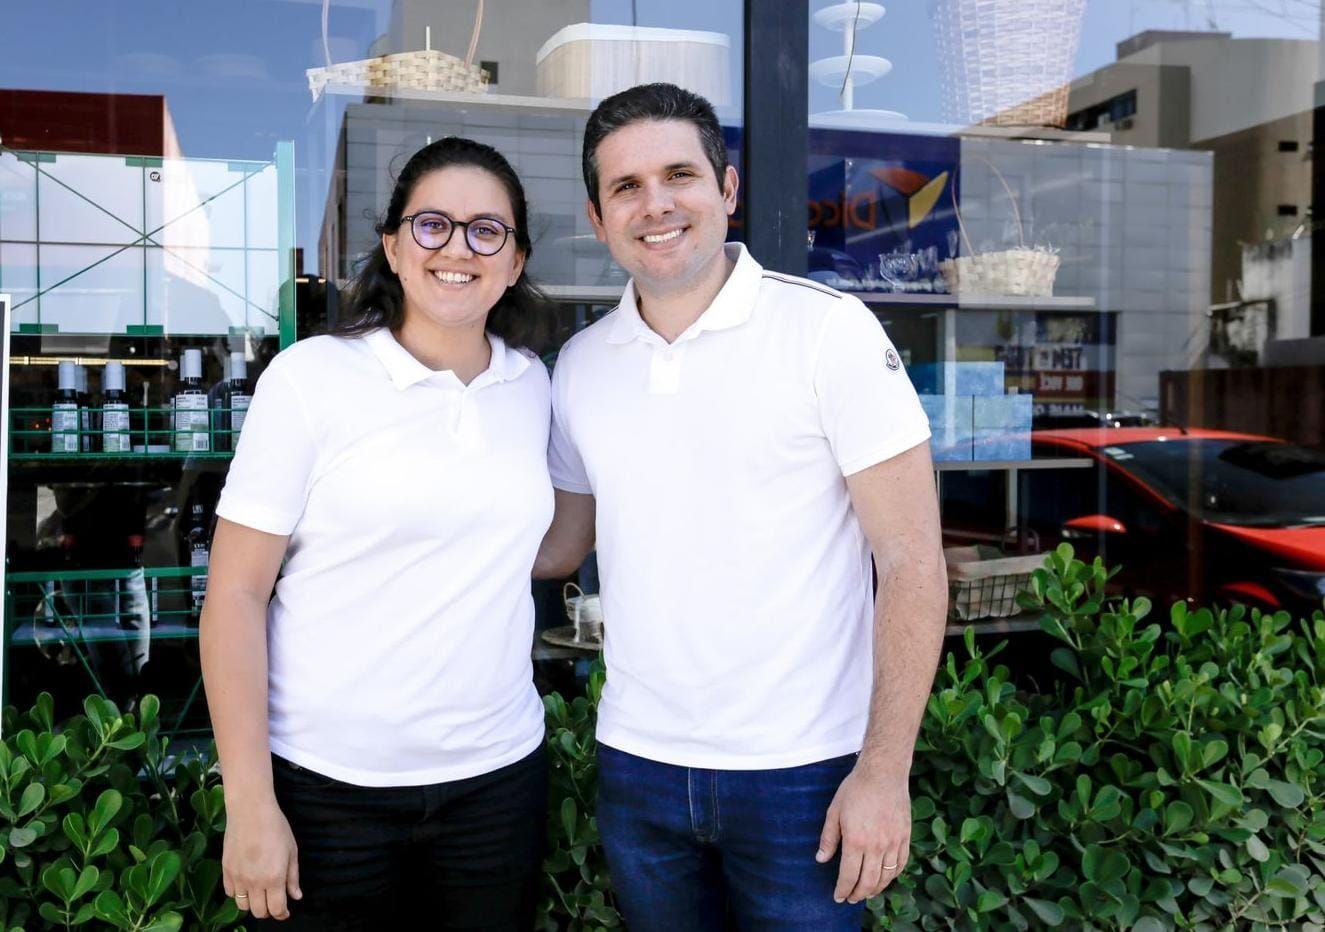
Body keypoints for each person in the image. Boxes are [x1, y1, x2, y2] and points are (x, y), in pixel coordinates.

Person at [535, 83, 948, 930]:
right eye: (626, 186)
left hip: (804, 770)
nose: (655, 204)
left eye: (678, 175)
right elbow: (557, 546)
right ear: (597, 217)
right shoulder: (579, 365)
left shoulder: (828, 331)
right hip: (637, 762)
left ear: (726, 189)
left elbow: (911, 564)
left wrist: (882, 772)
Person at [200, 137, 554, 930]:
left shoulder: (531, 385)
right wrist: (250, 804)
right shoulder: (312, 378)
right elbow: (235, 594)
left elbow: (543, 549)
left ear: (515, 261)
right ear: (393, 247)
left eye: (486, 230)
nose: (457, 248)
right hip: (326, 793)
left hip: (496, 786)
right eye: (432, 224)